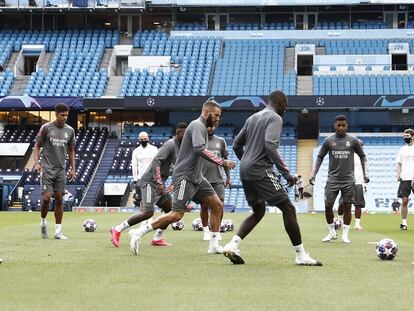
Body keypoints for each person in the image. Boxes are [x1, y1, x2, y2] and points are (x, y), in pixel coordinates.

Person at [223, 90, 322, 266]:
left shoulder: (252, 118)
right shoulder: (275, 118)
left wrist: (247, 161)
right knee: (289, 209)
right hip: (260, 169)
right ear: (281, 103)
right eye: (286, 107)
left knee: (259, 211)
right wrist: (286, 173)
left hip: (246, 170)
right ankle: (300, 255)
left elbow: (237, 144)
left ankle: (232, 244)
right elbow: (270, 144)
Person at [129, 99, 236, 255]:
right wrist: (222, 162)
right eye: (216, 115)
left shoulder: (203, 128)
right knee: (177, 214)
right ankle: (139, 233)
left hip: (197, 177)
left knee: (217, 206)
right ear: (206, 112)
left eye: (220, 115)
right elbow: (199, 149)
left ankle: (213, 245)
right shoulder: (197, 125)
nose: (218, 118)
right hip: (185, 177)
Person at [110, 123, 188, 247]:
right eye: (184, 134)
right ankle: (117, 229)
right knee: (148, 213)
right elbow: (157, 161)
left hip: (159, 183)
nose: (186, 137)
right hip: (148, 182)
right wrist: (158, 181)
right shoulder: (170, 144)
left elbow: (178, 168)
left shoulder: (183, 149)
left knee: (172, 211)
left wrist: (173, 183)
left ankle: (157, 238)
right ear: (177, 134)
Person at [310, 115, 369, 244]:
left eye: (343, 125)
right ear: (334, 126)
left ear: (347, 126)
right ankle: (331, 233)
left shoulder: (353, 141)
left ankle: (345, 236)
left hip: (348, 180)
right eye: (339, 125)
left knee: (347, 207)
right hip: (333, 179)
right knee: (327, 206)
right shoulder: (328, 141)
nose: (341, 127)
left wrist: (365, 174)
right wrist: (313, 174)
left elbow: (363, 156)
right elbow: (320, 157)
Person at [34, 103, 76, 240]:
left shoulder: (70, 131)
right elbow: (37, 146)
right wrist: (36, 163)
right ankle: (43, 222)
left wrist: (73, 169)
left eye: (66, 115)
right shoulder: (46, 128)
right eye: (62, 115)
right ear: (56, 114)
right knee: (46, 198)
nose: (65, 118)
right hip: (47, 169)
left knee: (59, 199)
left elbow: (71, 150)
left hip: (60, 171)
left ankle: (58, 231)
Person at [200, 126, 231, 241]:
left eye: (212, 126)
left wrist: (228, 177)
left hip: (218, 179)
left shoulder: (221, 141)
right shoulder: (200, 141)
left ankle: (216, 231)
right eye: (208, 127)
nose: (210, 128)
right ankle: (205, 231)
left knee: (220, 205)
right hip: (203, 179)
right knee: (204, 206)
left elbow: (226, 160)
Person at [337, 139, 367, 230]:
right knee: (342, 203)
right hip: (347, 182)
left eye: (361, 146)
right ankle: (339, 220)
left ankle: (357, 224)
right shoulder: (346, 156)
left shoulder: (363, 158)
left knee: (358, 204)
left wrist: (365, 183)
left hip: (358, 182)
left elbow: (365, 171)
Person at [131, 131, 158, 207]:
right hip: (141, 178)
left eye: (145, 139)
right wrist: (135, 179)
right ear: (139, 139)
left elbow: (157, 163)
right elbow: (134, 166)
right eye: (141, 139)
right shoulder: (136, 151)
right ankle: (143, 217)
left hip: (152, 178)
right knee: (141, 200)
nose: (143, 140)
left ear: (148, 138)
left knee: (150, 199)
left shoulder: (154, 149)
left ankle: (150, 217)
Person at [396, 128, 414, 230]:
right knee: (405, 200)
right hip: (405, 177)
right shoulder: (402, 149)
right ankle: (404, 223)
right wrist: (398, 174)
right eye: (404, 136)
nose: (405, 138)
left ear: (412, 136)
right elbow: (399, 164)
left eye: (407, 136)